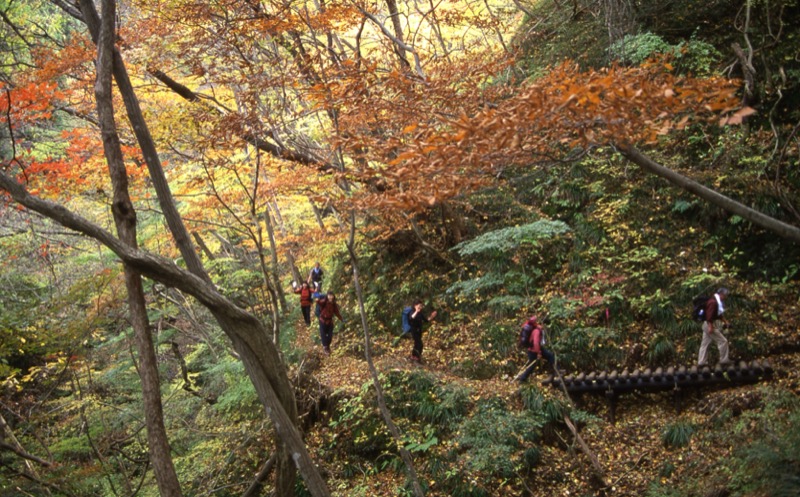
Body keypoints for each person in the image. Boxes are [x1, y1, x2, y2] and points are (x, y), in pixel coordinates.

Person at [697, 287, 731, 367]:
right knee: (723, 341)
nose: (725, 297)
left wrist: (725, 321)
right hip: (709, 324)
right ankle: (724, 360)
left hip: (706, 324)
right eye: (725, 295)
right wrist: (710, 326)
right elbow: (709, 315)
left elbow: (718, 314)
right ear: (721, 294)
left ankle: (701, 362)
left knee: (705, 344)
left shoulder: (716, 301)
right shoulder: (713, 302)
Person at [517, 315, 555, 382]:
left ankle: (554, 371)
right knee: (531, 366)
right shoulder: (537, 331)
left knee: (550, 356)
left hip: (536, 349)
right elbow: (536, 343)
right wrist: (538, 353)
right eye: (545, 326)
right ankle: (522, 379)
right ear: (543, 324)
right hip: (533, 351)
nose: (545, 328)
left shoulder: (538, 329)